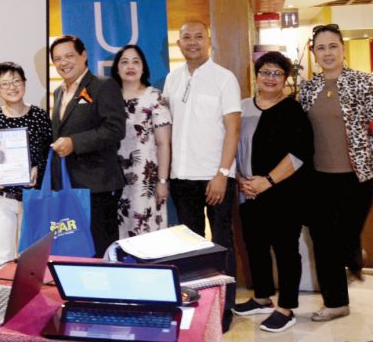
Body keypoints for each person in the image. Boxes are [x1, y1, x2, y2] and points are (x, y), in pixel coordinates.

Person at [162, 21, 241, 332]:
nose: (192, 42)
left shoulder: (224, 78)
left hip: (215, 175)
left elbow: (233, 128)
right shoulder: (172, 79)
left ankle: (225, 308)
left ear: (209, 40)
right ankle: (196, 304)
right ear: (179, 43)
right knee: (189, 248)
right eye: (186, 37)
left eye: (198, 37)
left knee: (221, 243)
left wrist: (222, 173)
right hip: (181, 177)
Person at [231, 52, 313, 332]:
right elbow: (233, 146)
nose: (270, 78)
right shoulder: (242, 107)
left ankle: (286, 307)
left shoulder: (292, 110)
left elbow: (300, 153)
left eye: (277, 73)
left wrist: (267, 181)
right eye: (265, 72)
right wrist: (242, 179)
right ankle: (262, 297)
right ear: (256, 75)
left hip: (284, 193)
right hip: (248, 191)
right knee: (255, 247)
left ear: (285, 79)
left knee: (286, 249)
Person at [299, 23, 373, 322]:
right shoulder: (308, 88)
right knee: (323, 240)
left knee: (344, 235)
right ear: (314, 53)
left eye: (333, 46)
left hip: (358, 175)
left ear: (342, 49)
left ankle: (354, 254)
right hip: (318, 177)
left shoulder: (365, 82)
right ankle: (336, 302)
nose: (327, 53)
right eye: (321, 48)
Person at [49, 35, 126, 258]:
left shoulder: (104, 85)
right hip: (67, 185)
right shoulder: (58, 92)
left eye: (69, 56)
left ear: (84, 55)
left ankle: (105, 292)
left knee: (100, 248)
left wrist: (75, 143)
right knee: (74, 247)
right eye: (57, 59)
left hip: (97, 186)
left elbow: (114, 130)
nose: (63, 63)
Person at [0, 62, 52, 268]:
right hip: (1, 198)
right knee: (2, 257)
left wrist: (38, 167)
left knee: (32, 255)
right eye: (5, 84)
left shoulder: (39, 116)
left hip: (33, 197)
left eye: (16, 81)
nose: (12, 87)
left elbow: (50, 152)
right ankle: (3, 296)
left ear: (25, 83)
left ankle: (29, 298)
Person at [110, 44, 171, 237]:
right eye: (125, 62)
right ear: (117, 68)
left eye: (136, 62)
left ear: (143, 68)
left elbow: (163, 144)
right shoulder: (109, 98)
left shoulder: (154, 97)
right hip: (113, 178)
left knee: (146, 234)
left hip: (146, 179)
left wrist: (162, 180)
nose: (130, 66)